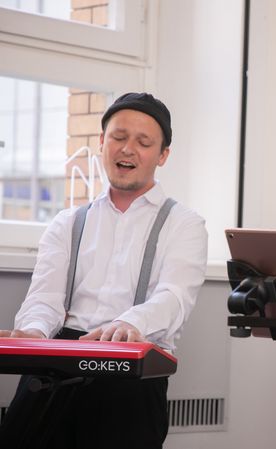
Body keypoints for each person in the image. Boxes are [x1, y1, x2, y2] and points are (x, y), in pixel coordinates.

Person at [0, 92, 208, 449]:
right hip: (56, 369)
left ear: (162, 156)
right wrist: (32, 332)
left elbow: (174, 297)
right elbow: (45, 297)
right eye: (118, 137)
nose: (128, 149)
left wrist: (130, 326)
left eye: (143, 143)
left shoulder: (184, 223)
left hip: (133, 378)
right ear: (101, 143)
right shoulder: (68, 222)